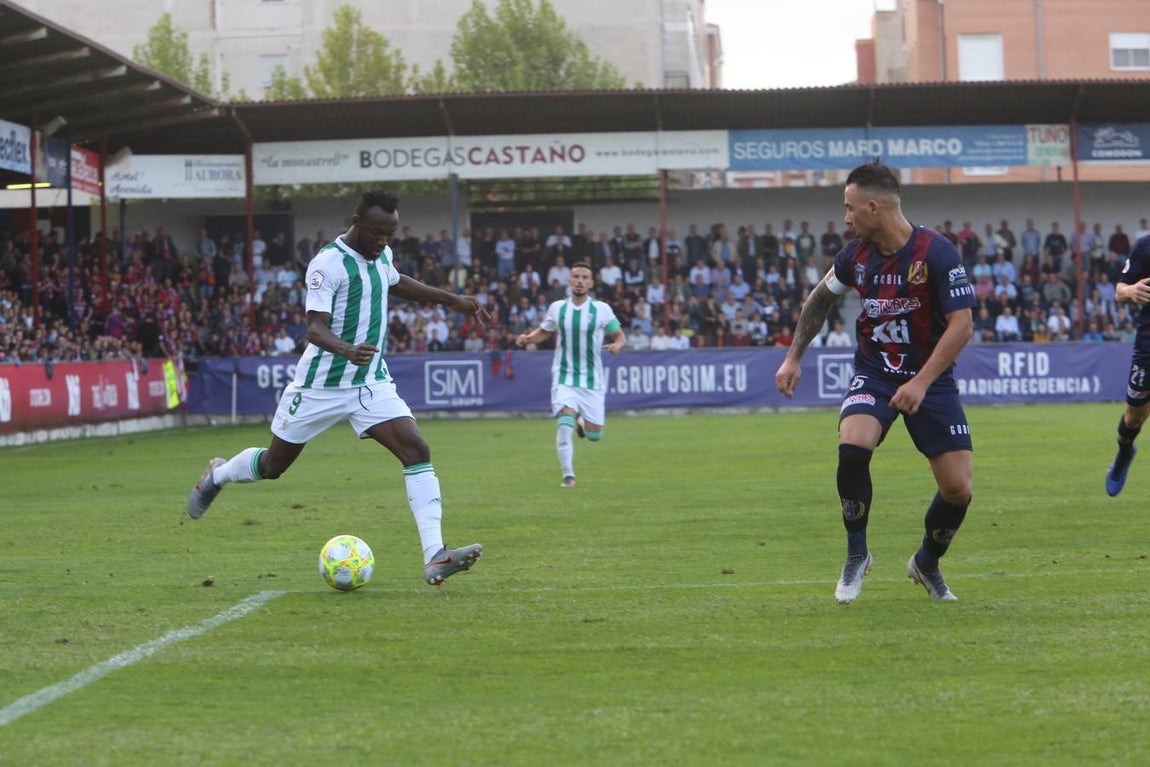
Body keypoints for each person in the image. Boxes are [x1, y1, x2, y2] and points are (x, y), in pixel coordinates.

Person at [186, 191, 489, 587]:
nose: (383, 241)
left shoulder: (381, 254)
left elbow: (396, 281)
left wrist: (452, 300)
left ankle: (435, 555)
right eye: (377, 232)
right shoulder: (327, 264)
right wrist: (346, 349)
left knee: (416, 450)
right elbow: (315, 327)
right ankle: (218, 475)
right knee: (273, 466)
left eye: (390, 234)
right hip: (320, 385)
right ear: (356, 222)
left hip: (369, 381)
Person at [774, 161, 976, 604]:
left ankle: (926, 563)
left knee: (958, 490)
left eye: (849, 208)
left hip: (931, 380)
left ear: (873, 208)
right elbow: (819, 300)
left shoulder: (937, 252)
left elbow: (962, 326)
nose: (845, 218)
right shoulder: (854, 257)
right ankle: (856, 554)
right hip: (876, 372)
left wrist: (921, 383)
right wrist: (793, 356)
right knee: (853, 444)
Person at [515, 262, 626, 487]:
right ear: (569, 281)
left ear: (591, 283)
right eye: (576, 276)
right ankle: (568, 475)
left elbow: (620, 336)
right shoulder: (558, 308)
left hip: (592, 379)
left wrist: (617, 346)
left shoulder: (602, 309)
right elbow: (544, 332)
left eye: (585, 277)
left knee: (595, 435)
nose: (580, 281)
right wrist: (528, 338)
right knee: (564, 423)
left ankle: (582, 424)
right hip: (564, 375)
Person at [1105, 233, 1150, 497]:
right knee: (1134, 417)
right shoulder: (1145, 247)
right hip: (1148, 344)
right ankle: (1124, 451)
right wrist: (1131, 291)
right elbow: (1119, 291)